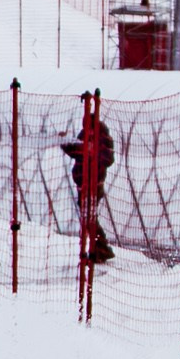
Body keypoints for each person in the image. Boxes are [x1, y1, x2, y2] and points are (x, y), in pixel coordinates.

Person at [62, 108, 117, 265]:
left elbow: (108, 158)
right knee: (87, 217)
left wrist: (92, 152)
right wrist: (65, 142)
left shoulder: (103, 137)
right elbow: (76, 150)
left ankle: (101, 250)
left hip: (94, 183)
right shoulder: (84, 134)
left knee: (89, 217)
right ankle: (99, 249)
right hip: (82, 182)